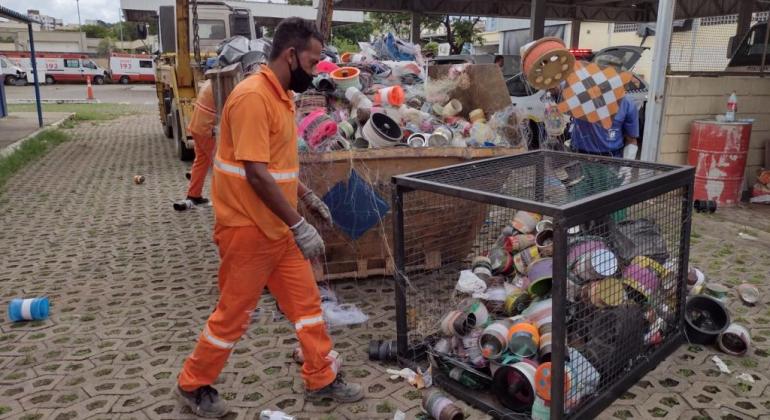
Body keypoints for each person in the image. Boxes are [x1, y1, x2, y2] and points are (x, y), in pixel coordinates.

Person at [175, 17, 364, 418]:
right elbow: (256, 173)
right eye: (312, 63)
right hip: (246, 230)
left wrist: (307, 196)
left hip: (277, 231)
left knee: (308, 306)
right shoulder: (251, 98)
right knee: (232, 316)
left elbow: (278, 167)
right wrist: (299, 225)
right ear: (290, 55)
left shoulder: (281, 97)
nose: (315, 73)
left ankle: (322, 377)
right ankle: (193, 385)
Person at [569, 96, 639, 159]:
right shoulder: (577, 98)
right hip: (579, 157)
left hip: (611, 160)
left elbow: (631, 140)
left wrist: (626, 166)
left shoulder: (626, 103)